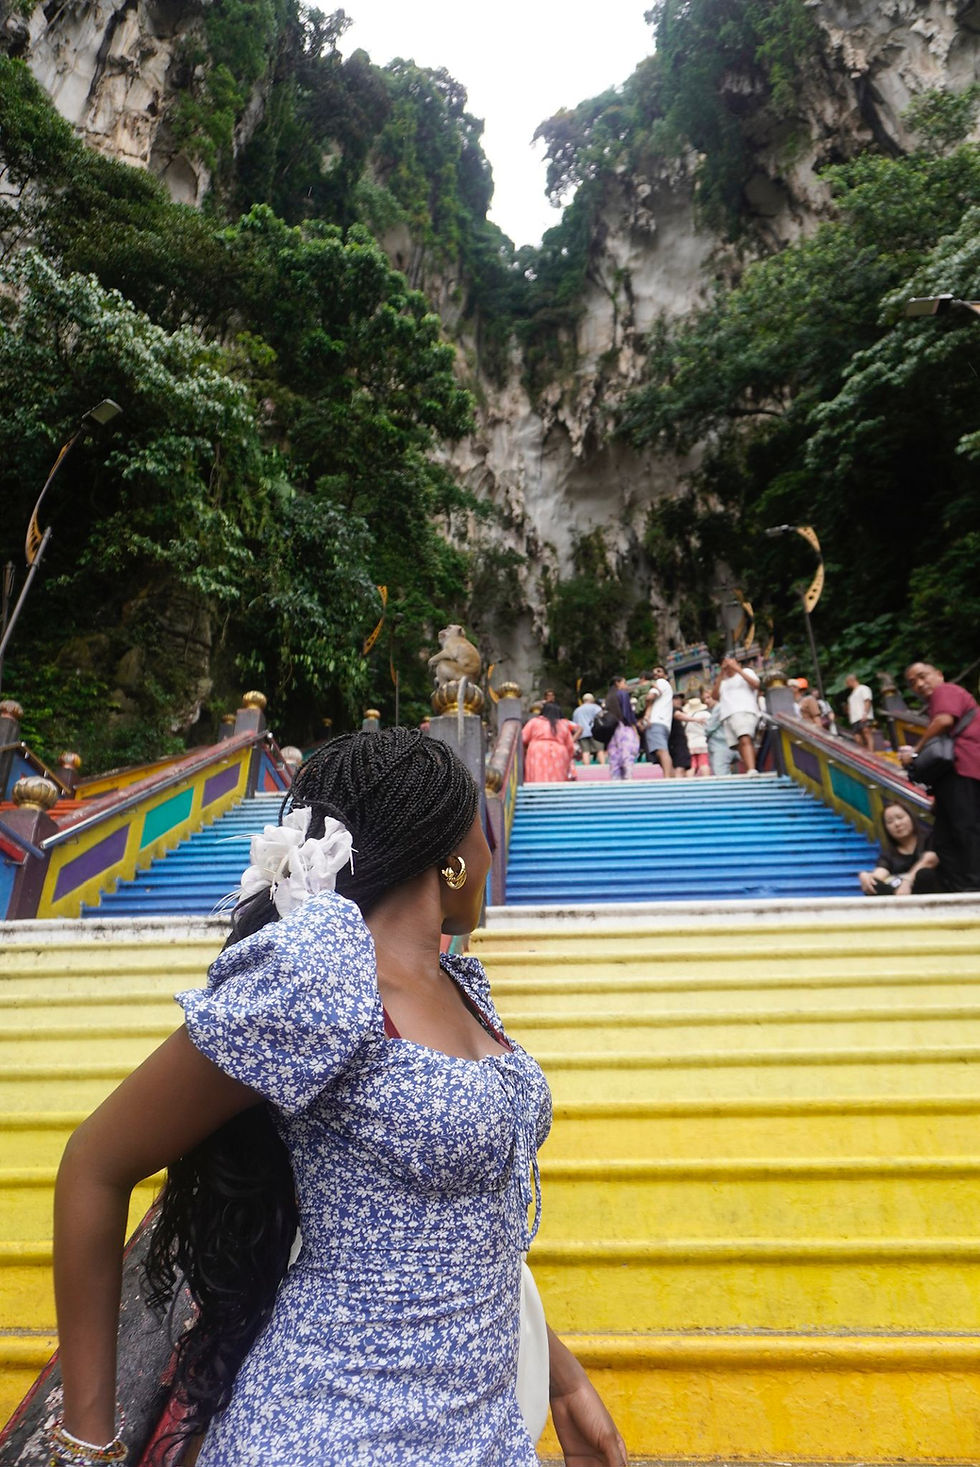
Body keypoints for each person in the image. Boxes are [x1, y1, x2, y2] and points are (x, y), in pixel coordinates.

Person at [50, 731, 627, 1467]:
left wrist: (564, 1378)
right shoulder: (324, 978)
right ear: (451, 854)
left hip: (478, 1432)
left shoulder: (460, 986)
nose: (493, 849)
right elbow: (95, 1160)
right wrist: (87, 1443)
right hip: (331, 1429)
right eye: (483, 827)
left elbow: (460, 1236)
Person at [899, 661, 980, 893]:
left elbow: (944, 721)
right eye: (913, 683)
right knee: (944, 837)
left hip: (965, 768)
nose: (920, 684)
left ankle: (973, 886)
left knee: (966, 830)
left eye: (923, 676)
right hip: (952, 776)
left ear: (939, 674)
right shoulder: (942, 700)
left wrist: (915, 752)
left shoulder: (946, 691)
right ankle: (958, 887)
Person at [857, 801, 936, 895]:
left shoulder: (929, 838)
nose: (897, 824)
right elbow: (880, 873)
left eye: (900, 817)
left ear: (911, 817)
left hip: (930, 893)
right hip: (899, 895)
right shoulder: (888, 854)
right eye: (890, 821)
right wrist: (866, 876)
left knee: (924, 874)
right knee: (872, 884)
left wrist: (908, 881)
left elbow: (930, 860)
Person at [712, 656, 761, 773]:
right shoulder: (723, 682)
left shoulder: (746, 672)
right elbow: (714, 696)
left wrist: (737, 668)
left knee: (745, 739)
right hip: (728, 715)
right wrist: (721, 673)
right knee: (739, 746)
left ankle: (752, 769)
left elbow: (756, 684)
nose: (727, 665)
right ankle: (751, 769)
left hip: (743, 710)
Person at [522, 701, 577, 782]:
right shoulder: (563, 724)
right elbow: (570, 745)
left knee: (538, 775)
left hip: (538, 750)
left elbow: (523, 738)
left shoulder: (534, 722)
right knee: (558, 777)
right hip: (559, 751)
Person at [605, 675, 640, 781]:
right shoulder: (622, 694)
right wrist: (635, 729)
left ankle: (616, 779)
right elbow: (627, 713)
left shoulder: (609, 696)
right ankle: (628, 778)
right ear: (617, 683)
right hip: (624, 728)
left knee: (614, 757)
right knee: (627, 754)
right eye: (624, 683)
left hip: (612, 730)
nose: (626, 685)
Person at [641, 666, 674, 778]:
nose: (656, 674)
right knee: (660, 752)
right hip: (663, 723)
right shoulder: (667, 687)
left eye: (659, 671)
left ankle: (667, 779)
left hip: (656, 722)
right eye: (654, 672)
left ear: (666, 675)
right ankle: (672, 776)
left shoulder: (660, 682)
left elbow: (650, 697)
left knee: (661, 751)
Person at [571, 691, 605, 766]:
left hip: (582, 733)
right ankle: (603, 765)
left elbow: (574, 724)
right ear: (592, 699)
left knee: (585, 751)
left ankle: (587, 767)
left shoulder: (577, 710)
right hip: (595, 732)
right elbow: (602, 717)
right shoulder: (596, 707)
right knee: (600, 750)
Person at [703, 690, 731, 777]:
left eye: (708, 697)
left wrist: (706, 724)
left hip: (721, 746)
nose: (706, 701)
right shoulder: (714, 710)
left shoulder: (719, 707)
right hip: (719, 745)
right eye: (704, 699)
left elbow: (709, 728)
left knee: (721, 774)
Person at [845, 674, 875, 754]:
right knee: (857, 737)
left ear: (851, 681)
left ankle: (871, 752)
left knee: (867, 733)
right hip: (855, 719)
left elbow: (867, 700)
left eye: (847, 682)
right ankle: (865, 752)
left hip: (864, 715)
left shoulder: (863, 688)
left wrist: (865, 713)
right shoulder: (851, 696)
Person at [682, 695, 710, 775]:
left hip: (690, 744)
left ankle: (690, 784)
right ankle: (707, 782)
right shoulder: (706, 714)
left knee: (691, 765)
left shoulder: (685, 716)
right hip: (703, 742)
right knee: (704, 763)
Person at [668, 693, 693, 777]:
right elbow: (677, 715)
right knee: (679, 767)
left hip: (680, 744)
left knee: (683, 767)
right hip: (676, 744)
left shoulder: (681, 711)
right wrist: (696, 719)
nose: (678, 701)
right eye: (675, 698)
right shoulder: (672, 710)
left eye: (679, 698)